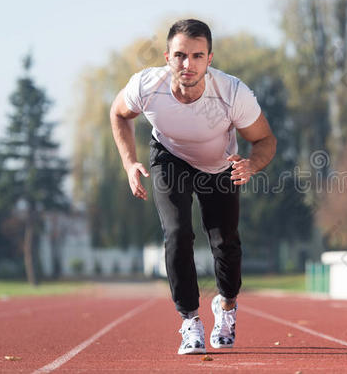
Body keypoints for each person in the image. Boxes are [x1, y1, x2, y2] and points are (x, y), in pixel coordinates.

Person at [109, 19, 276, 354]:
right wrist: (129, 163)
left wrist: (251, 165)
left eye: (197, 56)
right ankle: (190, 321)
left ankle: (226, 308)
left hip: (219, 166)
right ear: (168, 57)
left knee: (225, 241)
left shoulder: (232, 93)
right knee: (177, 232)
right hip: (170, 158)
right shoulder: (146, 85)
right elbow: (119, 113)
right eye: (181, 55)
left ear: (209, 59)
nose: (188, 64)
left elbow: (265, 139)